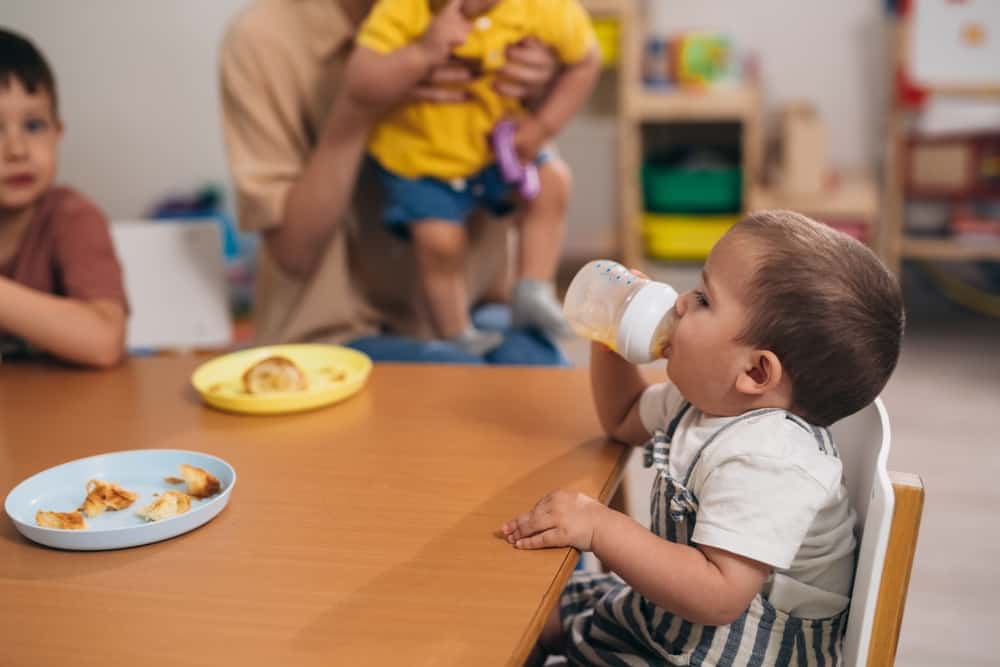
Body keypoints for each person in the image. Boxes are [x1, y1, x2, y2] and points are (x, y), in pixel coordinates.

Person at [502, 210, 906, 666]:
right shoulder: (704, 400)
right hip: (668, 619)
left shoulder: (771, 460)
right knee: (521, 610)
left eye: (703, 299)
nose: (678, 303)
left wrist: (600, 526)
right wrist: (610, 336)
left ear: (755, 371)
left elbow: (718, 595)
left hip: (722, 653)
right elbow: (622, 417)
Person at [219, 0, 569, 365]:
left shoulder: (490, 14)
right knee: (459, 379)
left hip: (476, 304)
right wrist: (360, 106)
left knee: (541, 375)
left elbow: (533, 190)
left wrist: (540, 101)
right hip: (331, 332)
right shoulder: (263, 40)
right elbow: (295, 253)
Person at [344, 0, 600, 354]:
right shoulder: (406, 8)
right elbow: (359, 79)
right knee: (439, 241)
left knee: (553, 182)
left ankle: (532, 290)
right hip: (423, 159)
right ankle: (455, 332)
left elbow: (586, 61)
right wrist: (421, 53)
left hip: (498, 149)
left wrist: (543, 126)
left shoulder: (542, 7)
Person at [0, 28, 127, 368]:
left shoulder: (72, 218)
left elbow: (104, 341)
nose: (16, 150)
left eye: (34, 126)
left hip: (70, 416)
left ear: (58, 133)